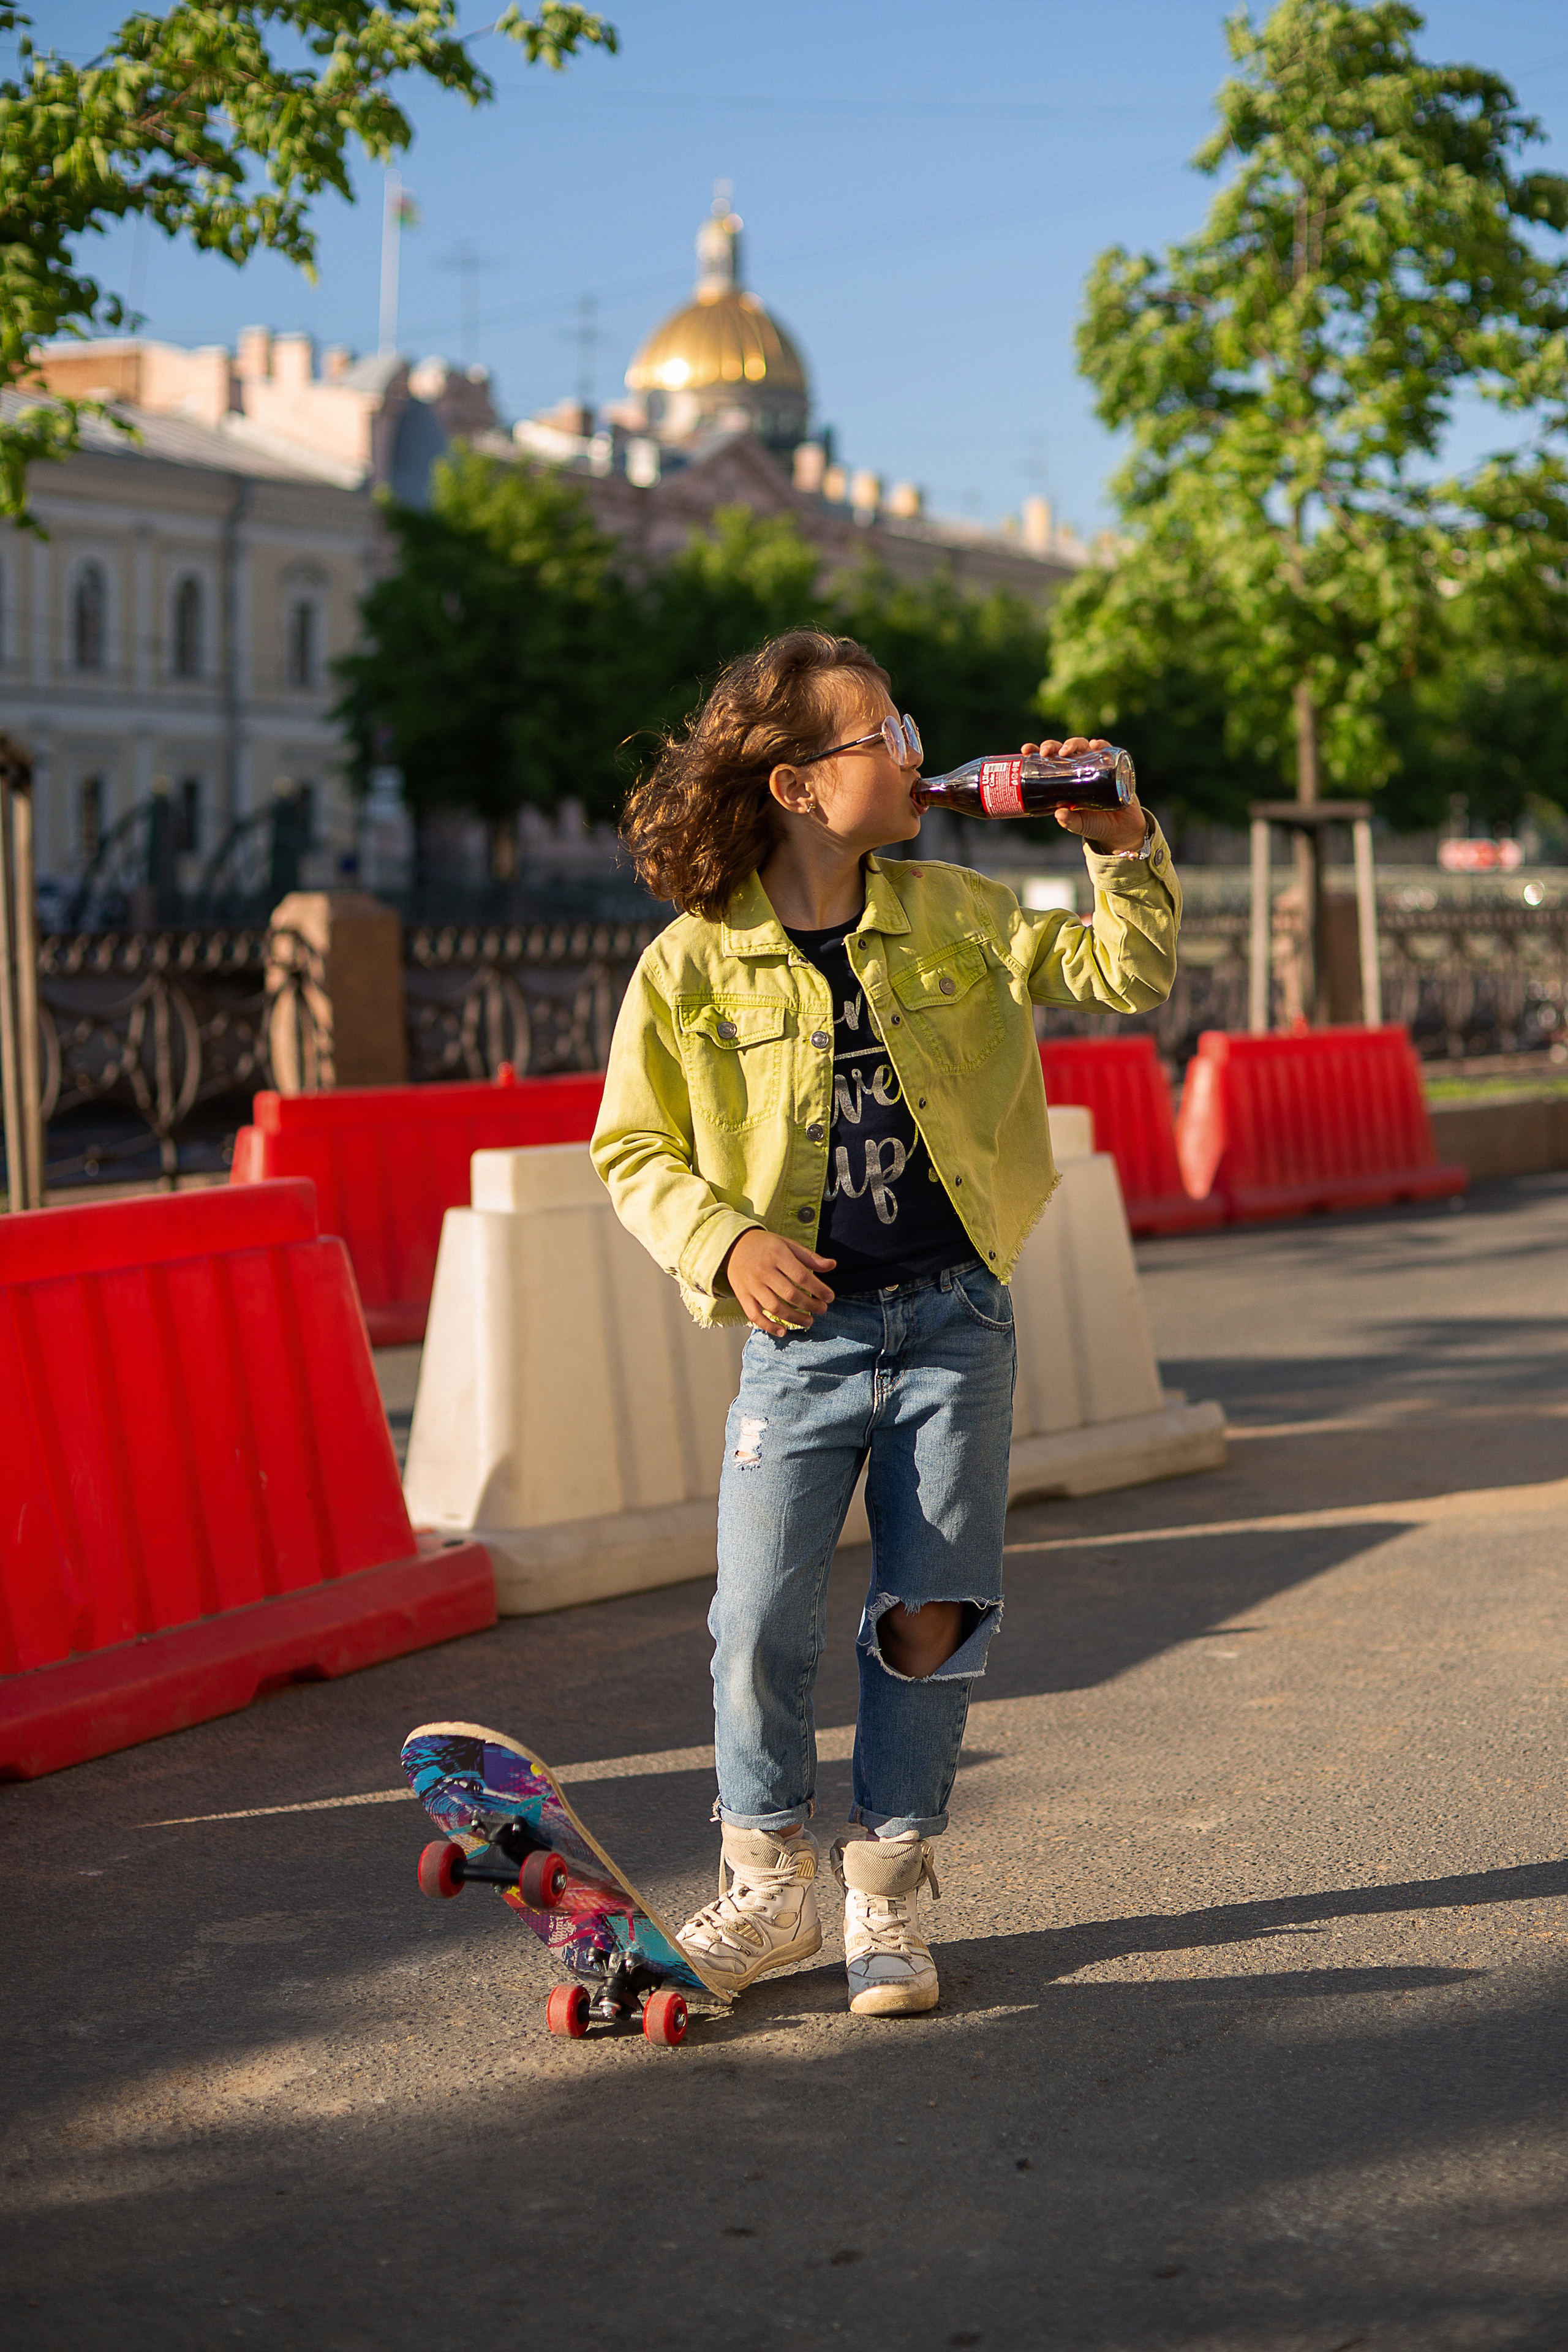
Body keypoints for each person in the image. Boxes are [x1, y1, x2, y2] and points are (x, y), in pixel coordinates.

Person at [591, 628, 1180, 2016]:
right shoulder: (692, 963)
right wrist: (727, 1242)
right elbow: (631, 1147)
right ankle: (764, 1884)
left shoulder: (961, 912)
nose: (916, 753)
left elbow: (1125, 977)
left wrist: (1121, 843)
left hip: (954, 1324)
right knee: (755, 1618)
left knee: (928, 1614)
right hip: (800, 1347)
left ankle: (891, 1889)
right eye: (883, 735)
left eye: (909, 728)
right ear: (798, 785)